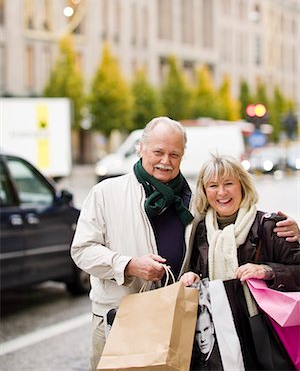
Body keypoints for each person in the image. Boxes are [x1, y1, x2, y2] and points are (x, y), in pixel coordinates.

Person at [71, 119, 299, 371]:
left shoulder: (195, 202)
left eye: (174, 154)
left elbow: (207, 257)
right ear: (140, 148)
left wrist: (293, 234)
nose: (165, 161)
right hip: (121, 320)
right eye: (158, 152)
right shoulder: (106, 193)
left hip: (177, 322)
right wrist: (129, 265)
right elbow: (82, 250)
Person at [181, 153, 300, 290]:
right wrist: (194, 277)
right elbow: (201, 272)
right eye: (213, 186)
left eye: (229, 183)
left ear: (242, 185)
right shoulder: (201, 230)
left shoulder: (271, 226)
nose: (222, 192)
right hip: (219, 310)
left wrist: (267, 271)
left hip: (264, 311)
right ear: (204, 191)